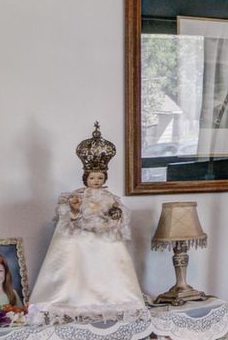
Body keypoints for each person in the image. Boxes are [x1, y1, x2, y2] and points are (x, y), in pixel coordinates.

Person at [29, 123, 148, 322]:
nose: (96, 181)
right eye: (93, 177)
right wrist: (75, 210)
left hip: (105, 238)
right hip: (80, 240)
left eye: (100, 177)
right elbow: (68, 217)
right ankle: (71, 299)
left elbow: (118, 214)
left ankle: (113, 300)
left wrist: (115, 215)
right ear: (86, 177)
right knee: (74, 267)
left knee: (110, 268)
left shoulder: (110, 197)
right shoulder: (77, 196)